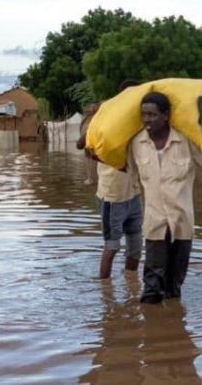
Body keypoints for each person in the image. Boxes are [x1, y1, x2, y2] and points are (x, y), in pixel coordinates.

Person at [128, 92, 202, 304]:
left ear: (166, 115)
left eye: (152, 114)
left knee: (174, 287)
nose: (147, 119)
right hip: (154, 225)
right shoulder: (136, 143)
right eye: (144, 115)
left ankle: (173, 328)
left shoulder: (185, 140)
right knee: (151, 288)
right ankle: (152, 332)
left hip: (182, 224)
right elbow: (126, 170)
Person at [77, 80, 143, 279]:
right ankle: (105, 293)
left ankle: (131, 285)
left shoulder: (139, 119)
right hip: (112, 194)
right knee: (112, 246)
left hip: (133, 192)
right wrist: (113, 160)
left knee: (136, 248)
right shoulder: (105, 116)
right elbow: (83, 146)